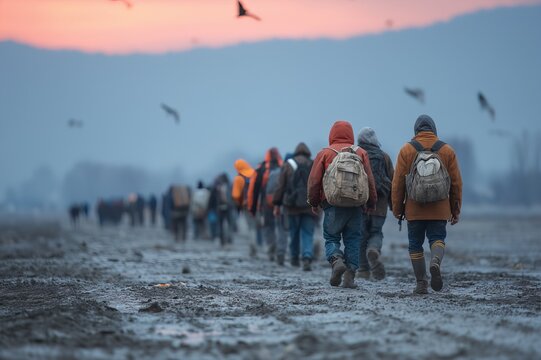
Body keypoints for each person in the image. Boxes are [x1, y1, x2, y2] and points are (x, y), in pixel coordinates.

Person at [392, 115, 462, 294]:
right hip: (440, 209)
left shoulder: (406, 150)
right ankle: (435, 262)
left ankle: (421, 284)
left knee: (415, 244)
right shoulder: (447, 151)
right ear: (434, 130)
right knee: (437, 238)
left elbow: (398, 184)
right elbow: (456, 183)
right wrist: (455, 210)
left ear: (416, 131)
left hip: (414, 209)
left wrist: (398, 210)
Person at [307, 120, 377, 288]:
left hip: (332, 204)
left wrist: (314, 202)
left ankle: (336, 260)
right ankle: (349, 277)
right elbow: (369, 180)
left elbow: (314, 181)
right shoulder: (360, 152)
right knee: (353, 239)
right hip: (355, 205)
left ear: (332, 134)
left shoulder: (325, 153)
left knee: (331, 237)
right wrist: (371, 202)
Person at [356, 127, 394, 281]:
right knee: (376, 233)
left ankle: (363, 270)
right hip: (380, 206)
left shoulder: (355, 155)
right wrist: (393, 205)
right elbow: (393, 182)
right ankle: (374, 250)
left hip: (361, 204)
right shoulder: (384, 157)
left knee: (361, 237)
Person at [273, 142, 316, 270]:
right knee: (308, 233)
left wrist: (277, 202)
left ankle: (294, 259)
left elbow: (281, 186)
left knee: (294, 233)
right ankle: (307, 256)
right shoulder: (313, 164)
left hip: (291, 205)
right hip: (309, 205)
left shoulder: (288, 164)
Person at [247, 147, 287, 263]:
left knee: (268, 227)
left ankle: (270, 248)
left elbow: (253, 190)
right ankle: (281, 250)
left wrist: (252, 208)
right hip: (281, 202)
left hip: (267, 203)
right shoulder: (284, 167)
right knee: (282, 227)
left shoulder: (261, 168)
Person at [209, 173, 234, 246]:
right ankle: (229, 238)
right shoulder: (230, 186)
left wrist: (210, 208)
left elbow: (212, 198)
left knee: (220, 224)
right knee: (230, 224)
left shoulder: (217, 187)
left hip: (219, 207)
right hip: (229, 207)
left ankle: (222, 239)